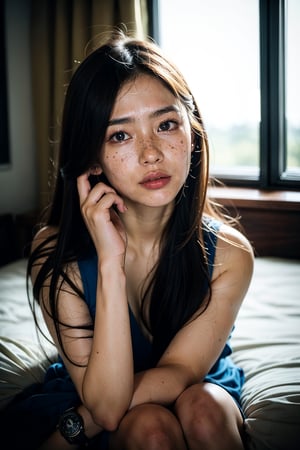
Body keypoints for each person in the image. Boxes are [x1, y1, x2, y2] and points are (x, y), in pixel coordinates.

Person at [2, 32, 253, 449]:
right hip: (97, 389)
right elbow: (105, 401)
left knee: (205, 408)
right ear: (91, 157)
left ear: (192, 132)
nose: (151, 153)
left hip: (198, 388)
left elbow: (175, 375)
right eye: (120, 135)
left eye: (166, 124)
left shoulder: (229, 254)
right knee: (149, 430)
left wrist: (78, 426)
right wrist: (109, 263)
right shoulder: (55, 252)